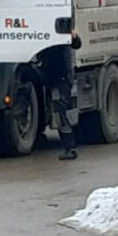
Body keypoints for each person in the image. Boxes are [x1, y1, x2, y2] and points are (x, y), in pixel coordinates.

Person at [42, 32, 81, 161]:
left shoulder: (63, 33)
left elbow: (77, 44)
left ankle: (70, 148)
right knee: (58, 110)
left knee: (61, 112)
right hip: (54, 76)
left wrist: (74, 36)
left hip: (62, 78)